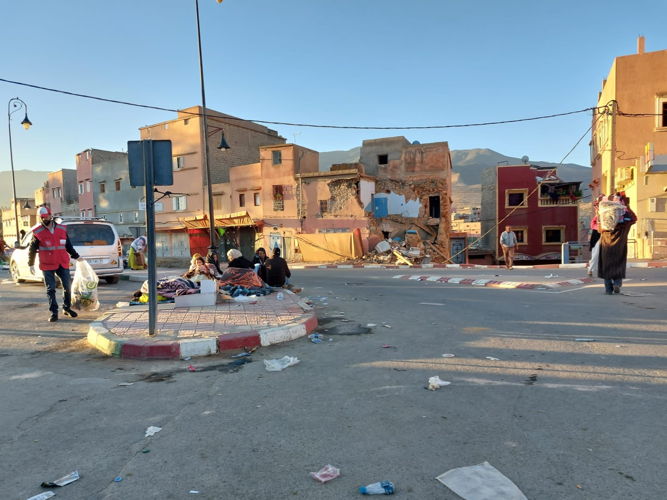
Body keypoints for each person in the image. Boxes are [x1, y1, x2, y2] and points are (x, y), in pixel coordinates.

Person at [28, 206, 83, 322]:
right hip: (47, 264)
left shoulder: (62, 229)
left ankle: (67, 308)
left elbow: (68, 246)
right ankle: (54, 312)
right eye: (42, 217)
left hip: (62, 263)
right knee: (51, 289)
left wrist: (77, 256)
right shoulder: (37, 232)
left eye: (46, 216)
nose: (44, 219)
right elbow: (32, 249)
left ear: (50, 215)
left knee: (68, 287)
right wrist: (31, 264)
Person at [598, 193, 636, 295]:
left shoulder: (604, 225)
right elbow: (634, 219)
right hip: (620, 247)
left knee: (606, 267)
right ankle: (617, 284)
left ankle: (608, 289)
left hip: (606, 248)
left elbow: (597, 227)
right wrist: (627, 206)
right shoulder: (624, 223)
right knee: (618, 265)